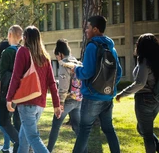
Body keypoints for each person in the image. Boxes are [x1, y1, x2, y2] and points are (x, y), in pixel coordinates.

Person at [70, 16, 122, 153]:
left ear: (95, 29)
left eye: (87, 27)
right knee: (109, 129)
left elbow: (86, 72)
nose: (86, 30)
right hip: (108, 97)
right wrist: (108, 87)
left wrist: (76, 69)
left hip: (92, 97)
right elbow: (119, 73)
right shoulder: (111, 47)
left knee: (84, 130)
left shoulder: (92, 46)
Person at [6, 26, 62, 153]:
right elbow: (52, 83)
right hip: (40, 104)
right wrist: (56, 104)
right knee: (24, 138)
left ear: (25, 38)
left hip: (27, 103)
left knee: (32, 137)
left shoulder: (23, 51)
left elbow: (15, 77)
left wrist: (9, 98)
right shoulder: (45, 57)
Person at [116, 33, 159, 153]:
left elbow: (140, 83)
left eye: (137, 43)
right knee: (143, 130)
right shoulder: (155, 60)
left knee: (147, 134)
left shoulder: (144, 61)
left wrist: (122, 94)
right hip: (156, 99)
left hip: (144, 99)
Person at [47, 39, 81, 152]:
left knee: (55, 126)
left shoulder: (64, 64)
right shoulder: (77, 62)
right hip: (78, 100)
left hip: (67, 101)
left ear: (60, 54)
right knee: (77, 128)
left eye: (56, 57)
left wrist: (60, 103)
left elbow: (63, 87)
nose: (57, 59)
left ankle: (48, 150)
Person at [0, 25, 23, 153]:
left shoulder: (7, 52)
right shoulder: (25, 51)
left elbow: (2, 76)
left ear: (10, 34)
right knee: (18, 122)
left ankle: (21, 143)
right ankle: (20, 147)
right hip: (23, 92)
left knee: (3, 121)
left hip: (8, 92)